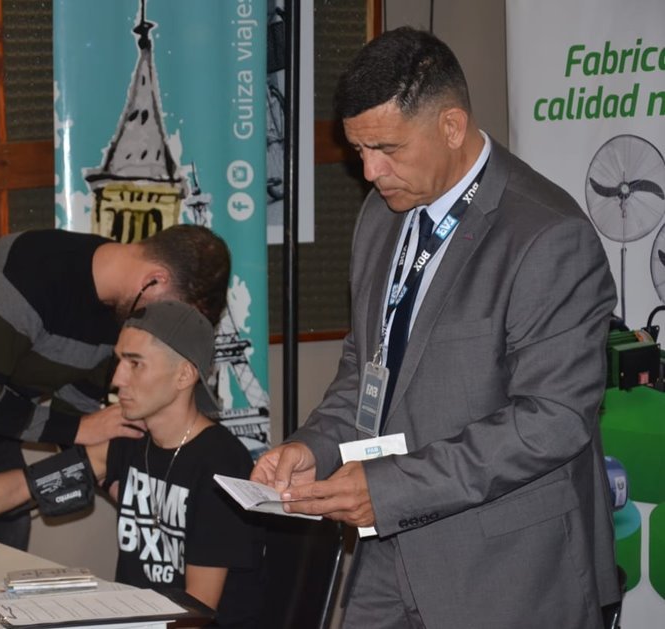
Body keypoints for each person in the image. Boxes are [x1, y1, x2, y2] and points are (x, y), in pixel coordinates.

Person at [251, 27, 620, 628]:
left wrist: (390, 490)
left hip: (507, 571)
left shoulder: (548, 235)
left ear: (451, 126)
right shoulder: (380, 216)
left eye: (387, 148)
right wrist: (313, 447)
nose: (370, 171)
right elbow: (367, 368)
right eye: (359, 149)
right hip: (385, 556)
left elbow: (552, 420)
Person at [0, 301, 264, 628]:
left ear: (184, 375)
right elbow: (23, 487)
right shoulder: (131, 442)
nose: (117, 379)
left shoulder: (219, 462)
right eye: (118, 362)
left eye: (135, 363)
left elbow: (197, 609)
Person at [0, 225, 230, 551]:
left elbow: (71, 413)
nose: (165, 329)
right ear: (155, 280)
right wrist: (79, 429)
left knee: (1, 557)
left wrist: (115, 478)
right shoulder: (30, 276)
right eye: (173, 313)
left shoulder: (122, 313)